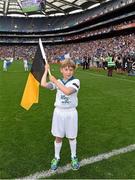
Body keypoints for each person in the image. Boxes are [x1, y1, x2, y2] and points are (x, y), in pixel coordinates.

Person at [41, 59, 80, 171]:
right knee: (58, 136)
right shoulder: (58, 81)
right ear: (61, 70)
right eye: (66, 69)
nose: (68, 72)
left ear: (73, 71)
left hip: (71, 113)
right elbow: (43, 84)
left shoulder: (76, 81)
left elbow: (67, 91)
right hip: (59, 112)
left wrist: (56, 82)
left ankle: (73, 156)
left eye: (71, 69)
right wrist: (46, 70)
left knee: (72, 137)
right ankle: (56, 157)